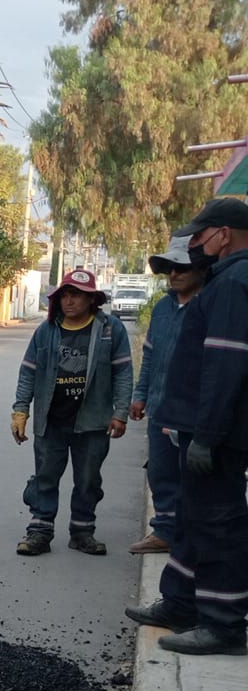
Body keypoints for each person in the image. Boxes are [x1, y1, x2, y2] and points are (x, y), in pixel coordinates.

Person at [127, 198, 248, 656]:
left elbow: (224, 365)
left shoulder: (236, 282)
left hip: (215, 435)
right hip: (193, 427)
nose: (194, 244)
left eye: (200, 235)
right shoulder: (226, 279)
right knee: (193, 520)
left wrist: (208, 436)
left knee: (219, 524)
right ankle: (180, 602)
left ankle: (222, 623)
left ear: (223, 234)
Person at [11, 268, 132, 556]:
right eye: (65, 295)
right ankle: (39, 532)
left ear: (91, 299)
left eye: (76, 295)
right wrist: (20, 410)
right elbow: (28, 372)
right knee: (46, 477)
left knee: (89, 480)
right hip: (51, 419)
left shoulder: (110, 330)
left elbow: (123, 373)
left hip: (92, 421)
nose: (69, 301)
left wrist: (121, 412)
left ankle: (82, 532)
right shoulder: (47, 330)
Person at [127, 237, 203, 554]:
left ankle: (191, 537)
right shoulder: (162, 309)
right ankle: (164, 532)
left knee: (194, 478)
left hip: (193, 413)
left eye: (181, 267)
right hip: (160, 408)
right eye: (169, 268)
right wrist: (140, 394)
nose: (174, 274)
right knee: (160, 472)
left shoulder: (210, 307)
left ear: (201, 267)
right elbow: (150, 357)